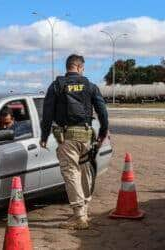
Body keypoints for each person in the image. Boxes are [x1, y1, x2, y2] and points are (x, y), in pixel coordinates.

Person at [40, 54, 108, 230]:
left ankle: (79, 217)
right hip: (86, 135)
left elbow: (47, 114)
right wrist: (102, 132)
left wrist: (44, 136)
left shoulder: (56, 86)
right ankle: (84, 208)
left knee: (71, 172)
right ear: (79, 67)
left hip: (67, 137)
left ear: (68, 66)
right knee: (85, 169)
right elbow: (102, 111)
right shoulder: (90, 86)